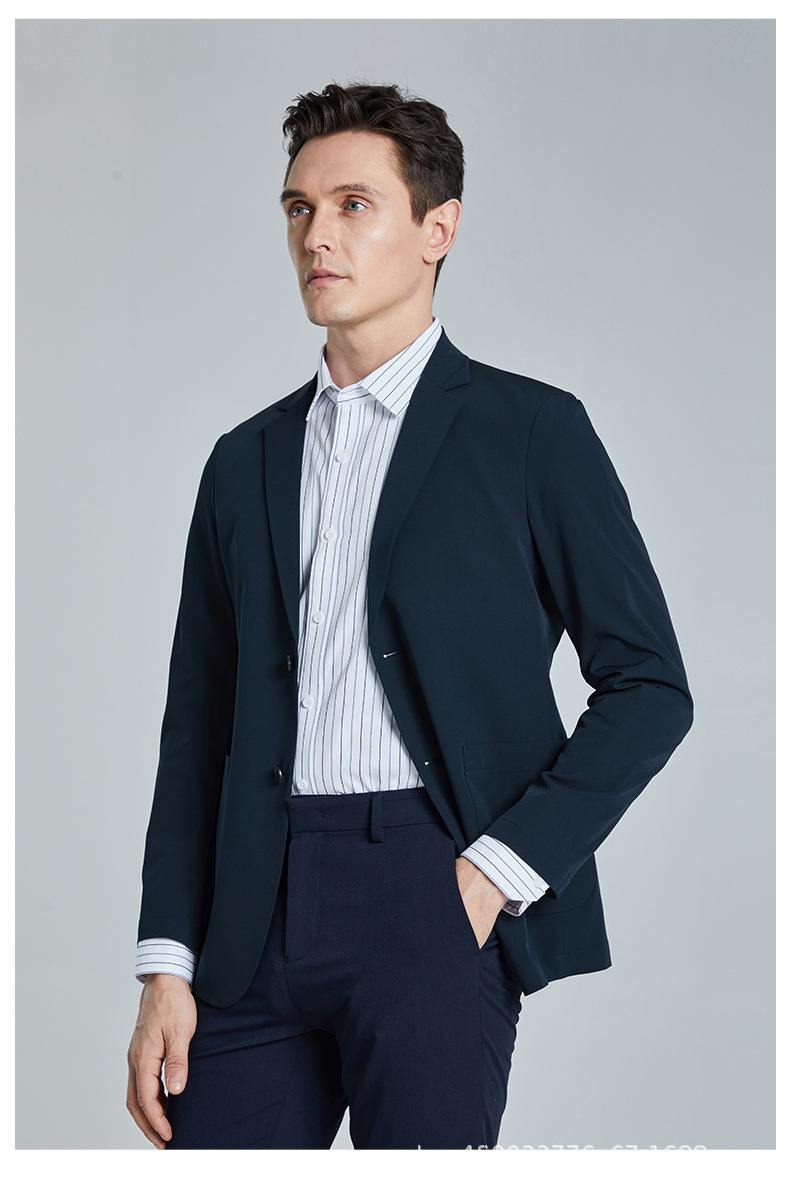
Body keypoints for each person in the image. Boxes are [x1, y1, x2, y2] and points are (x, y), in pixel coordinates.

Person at [126, 81, 693, 1151]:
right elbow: (196, 727)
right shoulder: (243, 460)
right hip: (251, 912)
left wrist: (497, 871)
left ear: (439, 229)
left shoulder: (531, 432)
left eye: (353, 205)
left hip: (430, 891)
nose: (317, 235)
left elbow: (651, 686)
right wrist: (165, 961)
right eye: (299, 208)